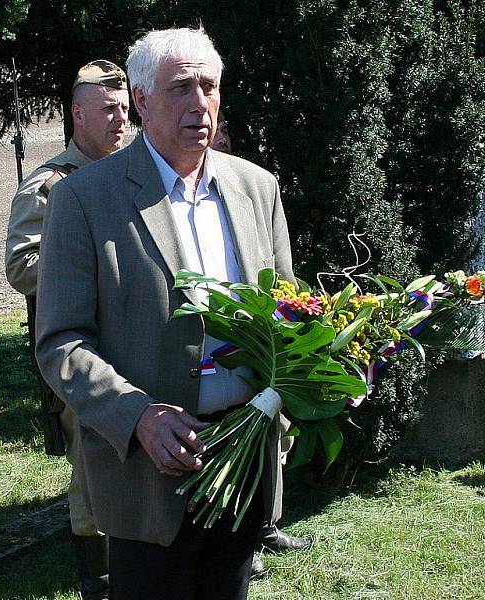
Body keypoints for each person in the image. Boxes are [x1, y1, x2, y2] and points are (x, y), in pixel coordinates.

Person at [35, 28, 294, 600]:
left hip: (245, 455)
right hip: (150, 474)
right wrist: (138, 417)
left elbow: (286, 312)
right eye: (181, 88)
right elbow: (61, 342)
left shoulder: (257, 188)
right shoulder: (86, 199)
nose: (199, 104)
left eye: (209, 86)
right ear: (142, 98)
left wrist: (323, 366)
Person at [5, 60, 129, 599]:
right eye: (108, 109)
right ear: (78, 114)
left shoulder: (139, 172)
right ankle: (97, 573)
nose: (120, 119)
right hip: (83, 342)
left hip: (141, 338)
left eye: (125, 107)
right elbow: (20, 267)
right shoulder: (52, 185)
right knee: (91, 456)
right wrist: (90, 267)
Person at [210, 109, 313, 577]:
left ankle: (257, 530)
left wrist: (293, 339)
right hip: (199, 364)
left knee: (269, 441)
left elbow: (284, 283)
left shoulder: (257, 186)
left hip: (255, 355)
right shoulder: (83, 189)